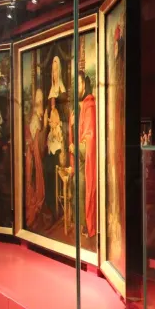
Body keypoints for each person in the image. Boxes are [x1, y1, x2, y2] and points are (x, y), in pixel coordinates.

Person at [69, 69, 97, 238]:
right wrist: (72, 124)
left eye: (78, 84)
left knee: (80, 185)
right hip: (80, 159)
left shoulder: (90, 106)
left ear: (84, 85)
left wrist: (76, 148)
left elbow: (89, 139)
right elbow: (79, 132)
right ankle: (80, 224)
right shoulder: (82, 107)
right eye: (75, 85)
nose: (76, 88)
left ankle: (86, 225)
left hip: (87, 160)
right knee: (75, 183)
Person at [24, 89, 47, 227]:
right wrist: (45, 126)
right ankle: (33, 205)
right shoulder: (35, 120)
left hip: (33, 155)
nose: (40, 104)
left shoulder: (37, 118)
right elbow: (37, 144)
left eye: (41, 101)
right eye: (39, 102)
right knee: (32, 180)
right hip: (32, 156)